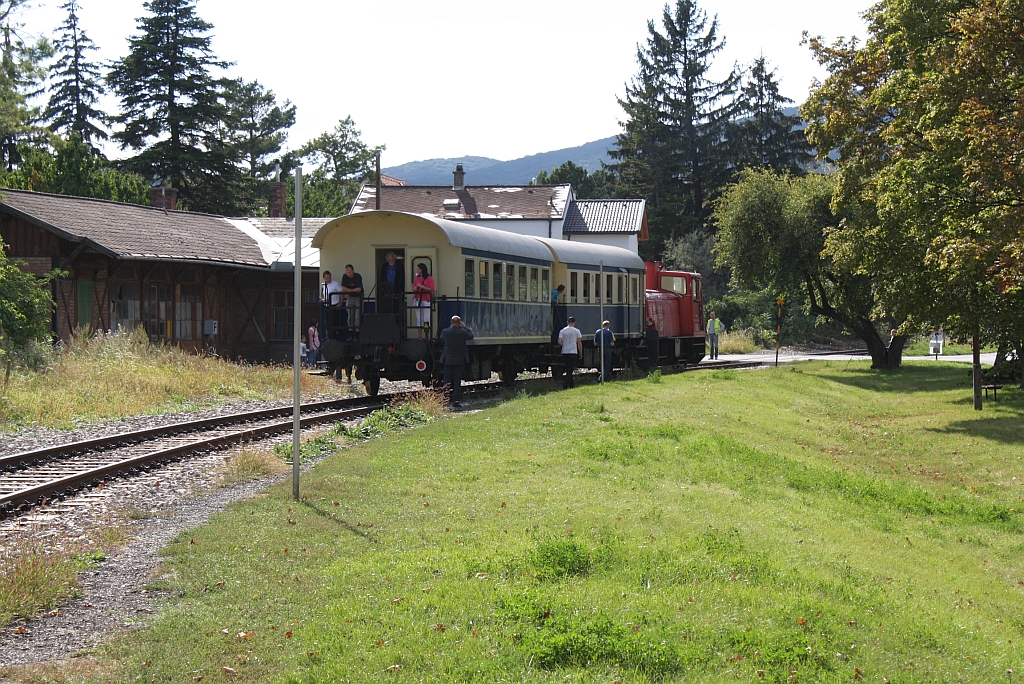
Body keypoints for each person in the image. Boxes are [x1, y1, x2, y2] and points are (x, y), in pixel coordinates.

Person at [440, 315, 474, 407]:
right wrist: (465, 327)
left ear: (451, 323)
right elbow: (471, 336)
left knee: (446, 380)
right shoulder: (463, 332)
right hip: (459, 359)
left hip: (448, 359)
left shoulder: (446, 331)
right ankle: (456, 401)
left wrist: (451, 327)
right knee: (457, 380)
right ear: (459, 323)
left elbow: (442, 337)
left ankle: (445, 400)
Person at [557, 316, 583, 389]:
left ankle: (572, 386)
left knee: (568, 369)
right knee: (570, 370)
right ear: (574, 323)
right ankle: (565, 386)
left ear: (567, 322)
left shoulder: (562, 331)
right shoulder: (577, 331)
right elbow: (579, 343)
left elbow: (559, 341)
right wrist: (580, 352)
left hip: (564, 352)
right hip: (573, 352)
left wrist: (564, 345)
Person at [411, 262, 435, 334]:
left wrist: (422, 287)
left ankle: (426, 334)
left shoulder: (429, 278)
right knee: (419, 318)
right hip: (417, 299)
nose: (416, 270)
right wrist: (414, 288)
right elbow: (413, 287)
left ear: (421, 269)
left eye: (418, 268)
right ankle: (420, 336)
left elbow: (432, 289)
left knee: (426, 318)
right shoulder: (416, 278)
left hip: (426, 300)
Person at [320, 270, 343, 339]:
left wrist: (340, 303)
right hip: (327, 306)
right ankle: (329, 337)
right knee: (327, 323)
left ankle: (333, 338)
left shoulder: (335, 284)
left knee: (333, 323)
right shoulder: (324, 285)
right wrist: (323, 300)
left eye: (329, 278)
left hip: (334, 306)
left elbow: (342, 293)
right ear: (324, 278)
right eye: (327, 278)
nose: (328, 279)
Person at [341, 264, 363, 331]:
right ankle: (350, 333)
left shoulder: (358, 276)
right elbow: (344, 288)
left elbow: (359, 289)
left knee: (357, 316)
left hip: (358, 298)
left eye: (350, 272)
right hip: (349, 297)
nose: (348, 274)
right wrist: (353, 291)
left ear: (353, 271)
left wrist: (349, 290)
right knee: (350, 316)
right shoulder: (344, 276)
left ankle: (357, 333)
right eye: (347, 272)